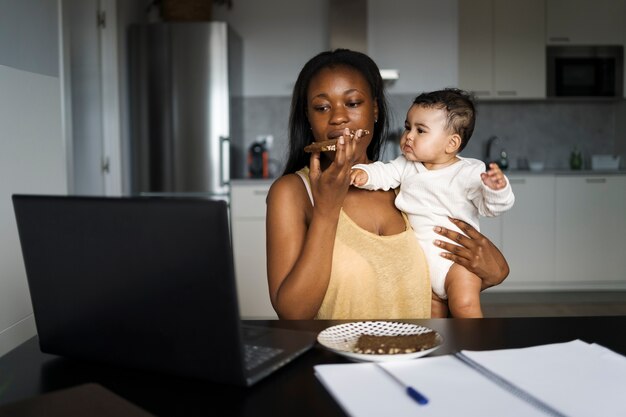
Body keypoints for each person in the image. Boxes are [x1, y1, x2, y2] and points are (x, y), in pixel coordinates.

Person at [265, 49, 510, 320]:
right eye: (322, 107)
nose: (337, 117)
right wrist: (326, 210)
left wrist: (496, 269)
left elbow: (476, 272)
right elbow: (293, 313)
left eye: (353, 103)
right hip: (340, 359)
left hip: (421, 355)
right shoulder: (293, 192)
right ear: (309, 119)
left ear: (375, 110)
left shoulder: (409, 185)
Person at [350, 88, 515, 318]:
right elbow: (383, 173)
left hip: (458, 265)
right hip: (422, 269)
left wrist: (496, 189)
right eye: (408, 127)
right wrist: (363, 174)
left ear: (451, 143)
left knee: (466, 308)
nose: (408, 136)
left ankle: (477, 345)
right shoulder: (405, 165)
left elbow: (491, 207)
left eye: (420, 131)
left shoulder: (469, 171)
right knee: (433, 321)